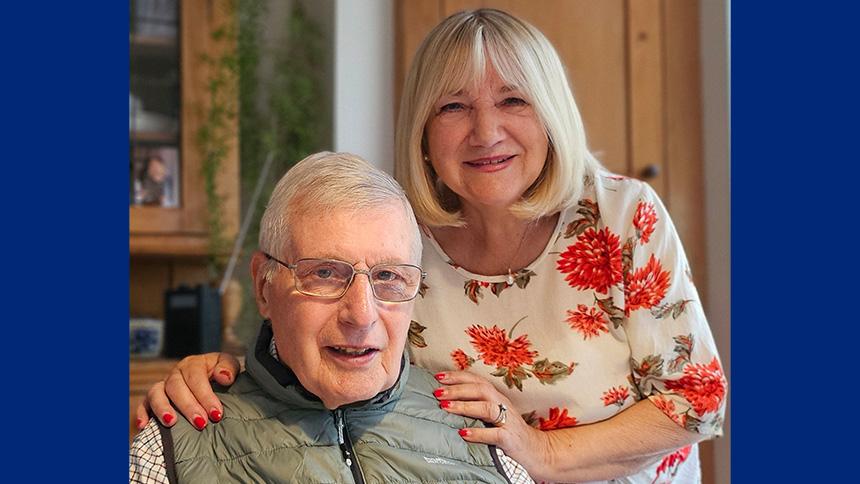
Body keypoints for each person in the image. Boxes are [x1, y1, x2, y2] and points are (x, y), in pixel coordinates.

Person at [136, 9, 727, 483]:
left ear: (550, 114)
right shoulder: (400, 238)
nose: (487, 132)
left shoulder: (620, 215)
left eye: (513, 100)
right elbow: (318, 328)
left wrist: (542, 455)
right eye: (454, 107)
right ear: (423, 129)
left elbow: (698, 400)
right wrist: (220, 371)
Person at [129, 152, 532, 483]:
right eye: (324, 273)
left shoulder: (482, 437)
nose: (361, 314)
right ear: (263, 286)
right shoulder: (167, 453)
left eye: (388, 276)